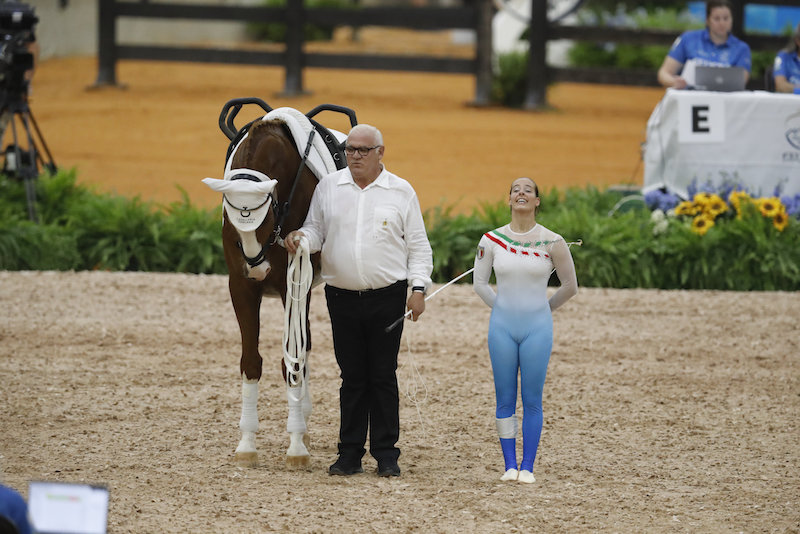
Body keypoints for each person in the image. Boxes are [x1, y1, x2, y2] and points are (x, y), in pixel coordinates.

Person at [285, 123, 433, 478]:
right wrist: (300, 238)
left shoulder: (401, 191)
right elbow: (316, 229)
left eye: (362, 150)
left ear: (380, 152)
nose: (354, 156)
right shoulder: (329, 187)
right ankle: (349, 453)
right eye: (350, 149)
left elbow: (418, 245)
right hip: (341, 298)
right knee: (351, 377)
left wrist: (418, 289)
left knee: (382, 375)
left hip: (388, 297)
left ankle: (386, 454)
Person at [473, 177, 577, 483]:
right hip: (501, 328)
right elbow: (479, 284)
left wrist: (544, 310)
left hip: (537, 329)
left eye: (528, 190)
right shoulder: (490, 240)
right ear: (509, 200)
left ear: (536, 201)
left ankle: (528, 466)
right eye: (515, 190)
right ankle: (509, 464)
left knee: (532, 398)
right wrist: (502, 308)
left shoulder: (553, 242)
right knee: (504, 397)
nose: (521, 193)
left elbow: (570, 286)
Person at [657, 0, 751, 89]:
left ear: (732, 19)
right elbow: (663, 73)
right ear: (707, 20)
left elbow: (741, 82)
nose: (722, 23)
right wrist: (673, 82)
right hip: (689, 98)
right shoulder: (688, 39)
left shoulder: (742, 48)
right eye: (716, 19)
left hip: (724, 101)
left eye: (726, 18)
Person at [773, 23, 800, 94]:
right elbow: (780, 86)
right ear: (797, 41)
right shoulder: (783, 56)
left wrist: (792, 88)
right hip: (789, 103)